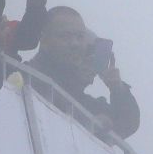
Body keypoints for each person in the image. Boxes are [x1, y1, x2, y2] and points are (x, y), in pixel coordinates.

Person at [28, 7, 140, 139]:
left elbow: (127, 124)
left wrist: (117, 88)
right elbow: (49, 98)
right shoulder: (26, 76)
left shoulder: (81, 99)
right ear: (45, 41)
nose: (75, 43)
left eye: (80, 37)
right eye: (65, 36)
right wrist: (88, 122)